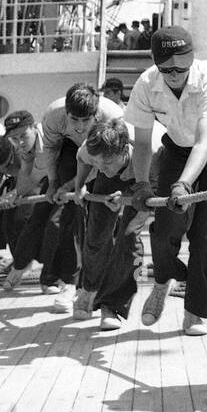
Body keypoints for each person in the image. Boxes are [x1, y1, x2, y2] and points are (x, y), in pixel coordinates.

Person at [125, 26, 207, 337]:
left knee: (203, 235)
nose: (175, 73)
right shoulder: (146, 84)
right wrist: (141, 184)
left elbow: (204, 142)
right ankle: (164, 280)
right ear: (156, 64)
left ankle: (194, 312)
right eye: (167, 69)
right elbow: (140, 143)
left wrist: (184, 185)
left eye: (182, 66)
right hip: (177, 151)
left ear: (192, 59)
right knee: (166, 226)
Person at [36, 83, 125, 311]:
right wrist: (55, 183)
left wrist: (75, 184)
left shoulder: (113, 116)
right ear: (66, 112)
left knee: (102, 222)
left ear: (96, 115)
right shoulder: (53, 117)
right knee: (71, 216)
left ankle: (98, 285)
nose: (79, 126)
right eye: (74, 119)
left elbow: (108, 161)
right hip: (70, 152)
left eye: (86, 120)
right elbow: (51, 150)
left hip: (103, 152)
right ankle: (70, 283)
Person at [70, 120, 145, 331]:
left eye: (107, 162)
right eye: (98, 164)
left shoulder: (152, 150)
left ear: (123, 150)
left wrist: (128, 196)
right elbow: (83, 159)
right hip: (114, 176)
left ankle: (111, 306)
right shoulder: (92, 151)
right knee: (95, 235)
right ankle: (89, 288)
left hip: (144, 175)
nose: (102, 168)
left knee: (129, 238)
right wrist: (79, 186)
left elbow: (156, 186)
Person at [1, 110, 62, 291]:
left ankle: (51, 279)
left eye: (23, 136)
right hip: (51, 178)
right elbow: (27, 170)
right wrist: (16, 195)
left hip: (73, 174)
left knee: (55, 225)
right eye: (14, 138)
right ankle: (20, 265)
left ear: (34, 128)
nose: (19, 142)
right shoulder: (26, 147)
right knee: (32, 222)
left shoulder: (49, 142)